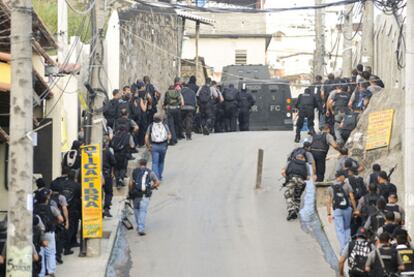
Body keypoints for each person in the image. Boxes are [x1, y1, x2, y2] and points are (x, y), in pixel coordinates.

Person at [34, 188, 64, 277]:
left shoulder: (34, 209)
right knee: (51, 252)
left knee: (40, 253)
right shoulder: (52, 208)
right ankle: (51, 270)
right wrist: (54, 223)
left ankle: (41, 273)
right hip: (49, 232)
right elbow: (61, 219)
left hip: (37, 234)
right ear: (47, 198)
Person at [326, 170, 357, 252]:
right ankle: (347, 245)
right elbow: (352, 198)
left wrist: (329, 213)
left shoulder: (330, 187)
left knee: (340, 229)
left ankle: (343, 248)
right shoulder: (347, 185)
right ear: (340, 177)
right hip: (347, 209)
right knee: (347, 228)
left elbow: (328, 201)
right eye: (343, 176)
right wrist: (355, 209)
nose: (345, 177)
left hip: (337, 210)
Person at [128, 159, 160, 236]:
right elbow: (157, 182)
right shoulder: (150, 172)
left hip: (135, 194)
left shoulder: (134, 171)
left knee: (136, 210)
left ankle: (139, 226)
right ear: (146, 164)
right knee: (143, 211)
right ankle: (141, 228)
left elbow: (130, 183)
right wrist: (152, 187)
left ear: (139, 164)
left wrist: (130, 192)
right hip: (145, 194)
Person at [113, 109, 138, 188]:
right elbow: (132, 145)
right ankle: (121, 179)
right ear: (127, 114)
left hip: (116, 153)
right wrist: (133, 133)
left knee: (116, 167)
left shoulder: (115, 127)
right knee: (123, 167)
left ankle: (117, 180)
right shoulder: (128, 133)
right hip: (124, 153)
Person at [281, 153, 309, 220]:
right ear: (303, 158)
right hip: (301, 181)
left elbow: (283, 172)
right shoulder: (306, 165)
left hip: (292, 179)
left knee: (288, 194)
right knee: (297, 195)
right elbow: (308, 177)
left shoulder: (290, 162)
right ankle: (296, 210)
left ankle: (291, 210)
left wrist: (287, 179)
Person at [145, 114, 172, 180]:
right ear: (161, 119)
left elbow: (146, 137)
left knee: (154, 163)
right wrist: (167, 141)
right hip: (163, 145)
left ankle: (155, 178)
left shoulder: (150, 126)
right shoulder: (164, 125)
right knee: (161, 161)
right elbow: (169, 135)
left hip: (154, 146)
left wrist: (148, 146)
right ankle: (159, 175)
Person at [327, 81, 351, 145]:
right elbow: (349, 105)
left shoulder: (337, 95)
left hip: (337, 112)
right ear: (347, 89)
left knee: (337, 126)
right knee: (346, 126)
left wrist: (332, 110)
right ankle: (346, 140)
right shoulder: (348, 95)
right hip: (345, 112)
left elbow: (330, 103)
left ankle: (339, 141)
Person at [103, 135, 117, 217]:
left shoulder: (95, 151)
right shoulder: (108, 152)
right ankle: (106, 209)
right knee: (108, 192)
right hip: (106, 174)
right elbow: (114, 162)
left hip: (96, 175)